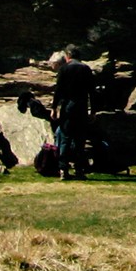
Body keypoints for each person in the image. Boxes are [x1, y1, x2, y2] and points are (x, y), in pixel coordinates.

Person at [49, 48, 95, 180]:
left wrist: (54, 108)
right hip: (81, 106)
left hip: (68, 106)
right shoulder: (86, 69)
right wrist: (93, 110)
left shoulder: (64, 69)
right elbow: (91, 91)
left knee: (65, 137)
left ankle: (63, 169)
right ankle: (79, 169)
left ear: (68, 56)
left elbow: (58, 90)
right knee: (80, 139)